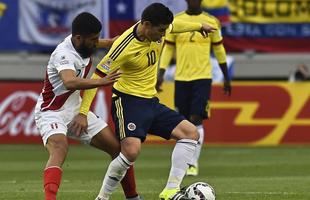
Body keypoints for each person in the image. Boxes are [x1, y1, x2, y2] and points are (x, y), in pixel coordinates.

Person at [74, 3, 217, 200]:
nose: (164, 34)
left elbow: (177, 26)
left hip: (150, 101)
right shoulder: (123, 47)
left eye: (165, 29)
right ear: (147, 25)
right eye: (161, 30)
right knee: (131, 151)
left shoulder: (159, 30)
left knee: (191, 133)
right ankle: (102, 198)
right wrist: (83, 112)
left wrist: (199, 26)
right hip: (127, 101)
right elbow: (97, 77)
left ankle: (171, 191)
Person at [34, 12, 141, 200]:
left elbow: (98, 43)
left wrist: (111, 42)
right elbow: (69, 82)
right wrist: (102, 82)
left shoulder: (81, 42)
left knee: (118, 150)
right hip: (52, 112)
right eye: (93, 39)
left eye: (97, 38)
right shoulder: (63, 55)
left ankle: (133, 197)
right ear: (78, 38)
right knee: (60, 147)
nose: (96, 42)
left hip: (76, 109)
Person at [156, 0, 231, 177]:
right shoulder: (177, 21)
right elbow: (168, 50)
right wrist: (161, 73)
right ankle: (184, 162)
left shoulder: (212, 21)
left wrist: (226, 76)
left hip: (203, 77)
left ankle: (192, 163)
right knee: (183, 122)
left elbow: (219, 50)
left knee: (196, 118)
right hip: (181, 77)